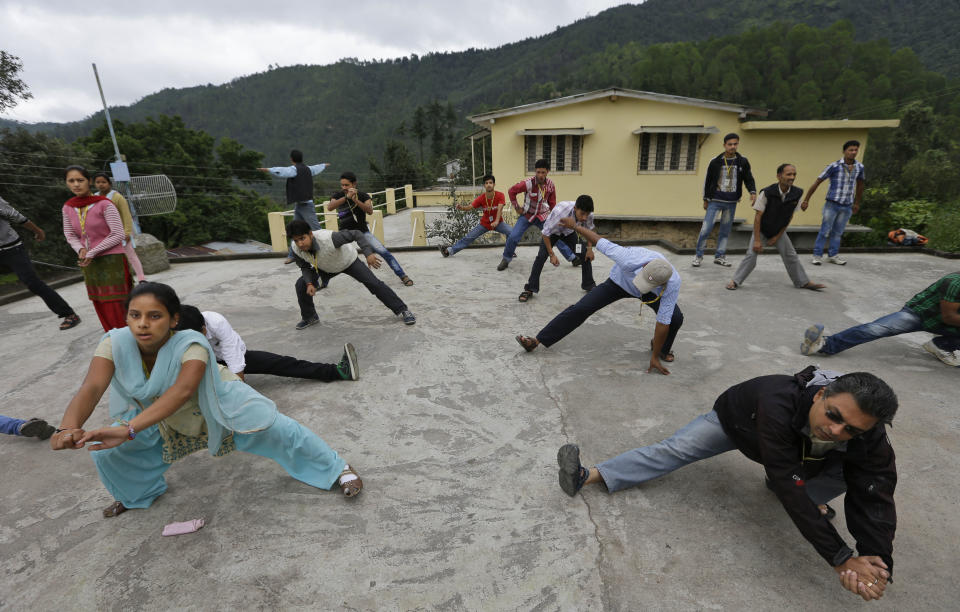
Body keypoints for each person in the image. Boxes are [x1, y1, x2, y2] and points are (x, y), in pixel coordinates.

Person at [556, 367, 898, 602]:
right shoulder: (778, 401)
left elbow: (876, 491)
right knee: (675, 449)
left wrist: (875, 559)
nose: (837, 430)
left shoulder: (867, 434)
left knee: (851, 474)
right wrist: (840, 556)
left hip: (798, 459)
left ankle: (801, 493)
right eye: (834, 415)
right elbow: (784, 473)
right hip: (738, 424)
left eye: (852, 429)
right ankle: (589, 475)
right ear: (821, 394)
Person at [50, 282, 363, 518]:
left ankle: (336, 468)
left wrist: (128, 429)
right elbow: (91, 388)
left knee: (278, 429)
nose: (142, 324)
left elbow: (182, 392)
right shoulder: (114, 343)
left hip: (215, 403)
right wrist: (66, 428)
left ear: (173, 320)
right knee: (107, 454)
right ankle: (136, 494)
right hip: (154, 416)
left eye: (154, 316)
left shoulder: (192, 344)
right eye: (135, 315)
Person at [516, 220, 682, 375]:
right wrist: (575, 226)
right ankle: (537, 340)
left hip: (651, 295)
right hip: (619, 283)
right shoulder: (628, 257)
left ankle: (662, 349)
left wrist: (653, 357)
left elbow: (663, 322)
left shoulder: (672, 283)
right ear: (644, 266)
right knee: (582, 308)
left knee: (675, 318)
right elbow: (597, 240)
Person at [801, 272, 960, 367]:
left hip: (950, 325)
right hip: (920, 314)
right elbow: (949, 316)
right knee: (877, 328)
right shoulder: (954, 282)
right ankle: (825, 345)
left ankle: (942, 345)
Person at [286, 219, 416, 329]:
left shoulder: (330, 238)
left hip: (348, 262)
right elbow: (304, 267)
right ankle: (310, 317)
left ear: (310, 234)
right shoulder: (296, 248)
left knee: (373, 283)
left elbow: (357, 234)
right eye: (296, 240)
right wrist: (309, 282)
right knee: (301, 284)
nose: (300, 243)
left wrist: (368, 253)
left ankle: (402, 310)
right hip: (325, 267)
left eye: (302, 238)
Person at [176, 305, 359, 381]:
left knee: (279, 362)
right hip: (201, 366)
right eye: (198, 334)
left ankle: (338, 372)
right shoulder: (174, 335)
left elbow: (232, 355)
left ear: (204, 323)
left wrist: (237, 390)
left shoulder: (215, 321)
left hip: (228, 357)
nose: (204, 334)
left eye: (203, 330)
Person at [727, 164, 825, 291]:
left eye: (794, 174)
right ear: (779, 176)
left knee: (791, 256)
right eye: (788, 174)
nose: (792, 177)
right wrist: (757, 240)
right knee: (751, 255)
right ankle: (735, 281)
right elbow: (757, 217)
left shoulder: (797, 193)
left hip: (778, 231)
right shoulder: (767, 192)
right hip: (762, 230)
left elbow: (789, 217)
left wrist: (777, 236)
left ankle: (803, 282)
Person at [61, 165, 133, 332]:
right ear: (66, 183)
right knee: (99, 302)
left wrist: (92, 252)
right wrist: (80, 250)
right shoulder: (68, 207)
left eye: (80, 180)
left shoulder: (104, 204)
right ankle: (114, 340)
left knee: (118, 305)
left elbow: (118, 233)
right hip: (89, 263)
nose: (76, 184)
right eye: (71, 181)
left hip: (111, 260)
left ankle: (132, 341)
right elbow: (70, 235)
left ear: (89, 182)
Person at [0, 195, 80, 330]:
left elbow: (16, 216)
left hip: (12, 248)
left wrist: (37, 230)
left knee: (33, 283)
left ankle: (68, 314)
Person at [327, 171, 414, 286]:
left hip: (362, 231)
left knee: (383, 251)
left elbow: (369, 210)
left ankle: (402, 275)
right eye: (342, 185)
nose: (344, 187)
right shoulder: (338, 195)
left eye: (346, 185)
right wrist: (346, 197)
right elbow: (330, 207)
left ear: (354, 184)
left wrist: (355, 200)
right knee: (328, 253)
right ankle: (321, 281)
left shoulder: (363, 196)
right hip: (345, 232)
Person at [497, 159, 575, 271]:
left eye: (543, 172)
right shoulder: (527, 183)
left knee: (555, 236)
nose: (540, 175)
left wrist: (555, 219)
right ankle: (506, 258)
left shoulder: (551, 185)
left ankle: (572, 257)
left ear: (547, 172)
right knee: (514, 236)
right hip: (527, 215)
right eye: (538, 172)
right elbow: (511, 191)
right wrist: (517, 207)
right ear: (535, 171)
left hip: (543, 216)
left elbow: (552, 203)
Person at [694, 133, 757, 268]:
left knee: (725, 230)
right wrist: (705, 199)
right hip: (715, 200)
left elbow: (748, 178)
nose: (733, 146)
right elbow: (708, 181)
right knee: (706, 229)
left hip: (731, 202)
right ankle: (698, 256)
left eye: (735, 144)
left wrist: (752, 192)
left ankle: (720, 256)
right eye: (730, 144)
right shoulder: (715, 161)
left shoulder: (742, 161)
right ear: (724, 145)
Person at [518, 195, 596, 303]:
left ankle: (589, 285)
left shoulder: (589, 214)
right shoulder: (560, 212)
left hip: (569, 233)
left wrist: (589, 249)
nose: (584, 218)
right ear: (575, 209)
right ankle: (530, 289)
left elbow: (589, 231)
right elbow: (545, 233)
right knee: (541, 257)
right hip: (552, 233)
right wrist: (552, 254)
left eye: (587, 214)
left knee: (584, 254)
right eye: (582, 214)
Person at [258, 150, 329, 263]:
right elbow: (317, 168)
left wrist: (268, 169)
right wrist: (324, 165)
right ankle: (292, 255)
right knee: (295, 231)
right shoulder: (308, 169)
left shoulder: (294, 169)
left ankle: (326, 251)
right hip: (300, 205)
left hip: (306, 205)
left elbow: (282, 171)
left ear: (292, 159)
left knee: (316, 230)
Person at [802, 140, 865, 266]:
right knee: (825, 230)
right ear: (844, 151)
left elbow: (860, 185)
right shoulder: (834, 166)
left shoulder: (860, 167)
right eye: (850, 150)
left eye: (855, 150)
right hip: (832, 204)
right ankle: (817, 255)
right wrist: (806, 200)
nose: (853, 152)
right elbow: (817, 182)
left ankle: (833, 255)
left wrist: (857, 203)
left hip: (847, 205)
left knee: (838, 232)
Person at [439, 174, 512, 258]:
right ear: (484, 185)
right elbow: (470, 207)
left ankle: (509, 251)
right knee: (468, 238)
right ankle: (448, 251)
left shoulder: (500, 195)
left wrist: (496, 221)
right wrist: (461, 207)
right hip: (484, 224)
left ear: (494, 184)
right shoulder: (481, 198)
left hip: (498, 223)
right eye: (486, 183)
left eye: (491, 183)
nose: (489, 184)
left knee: (511, 232)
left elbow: (500, 208)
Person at [93, 172, 146, 283]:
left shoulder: (117, 197)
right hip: (105, 234)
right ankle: (125, 280)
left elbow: (126, 215)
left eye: (103, 182)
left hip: (121, 231)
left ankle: (141, 278)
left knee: (130, 255)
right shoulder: (94, 197)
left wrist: (127, 233)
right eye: (98, 182)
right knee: (115, 258)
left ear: (109, 183)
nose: (101, 185)